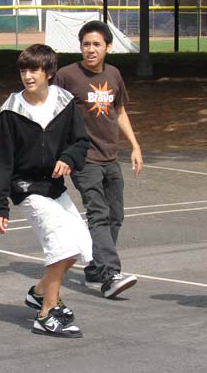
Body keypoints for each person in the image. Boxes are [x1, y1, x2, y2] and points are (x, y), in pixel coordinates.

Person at [0, 44, 92, 338]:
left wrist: (68, 158)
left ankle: (39, 292)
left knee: (80, 244)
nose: (27, 76)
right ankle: (46, 313)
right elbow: (0, 161)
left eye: (34, 70)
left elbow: (80, 141)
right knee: (61, 245)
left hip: (53, 187)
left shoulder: (64, 102)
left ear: (48, 72)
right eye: (23, 70)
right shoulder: (11, 111)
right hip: (26, 187)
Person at [55, 20, 143, 299]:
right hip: (84, 159)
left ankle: (94, 269)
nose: (90, 49)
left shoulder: (114, 74)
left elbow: (120, 111)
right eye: (85, 44)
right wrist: (61, 154)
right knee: (98, 213)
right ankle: (110, 274)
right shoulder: (67, 76)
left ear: (108, 47)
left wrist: (135, 146)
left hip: (110, 157)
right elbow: (52, 114)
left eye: (96, 44)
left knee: (115, 215)